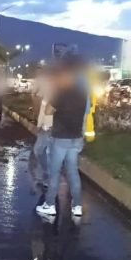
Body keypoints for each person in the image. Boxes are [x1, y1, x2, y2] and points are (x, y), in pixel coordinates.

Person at [36, 59, 88, 222]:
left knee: (54, 172)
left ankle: (50, 205)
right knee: (73, 171)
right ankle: (77, 205)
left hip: (61, 138)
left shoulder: (61, 92)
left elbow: (48, 110)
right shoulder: (82, 93)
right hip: (76, 138)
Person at [32, 67, 53, 188]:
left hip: (51, 127)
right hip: (44, 127)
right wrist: (39, 124)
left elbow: (50, 110)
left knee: (46, 152)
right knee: (39, 151)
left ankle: (50, 178)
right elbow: (41, 108)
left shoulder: (58, 92)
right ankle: (47, 175)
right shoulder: (46, 89)